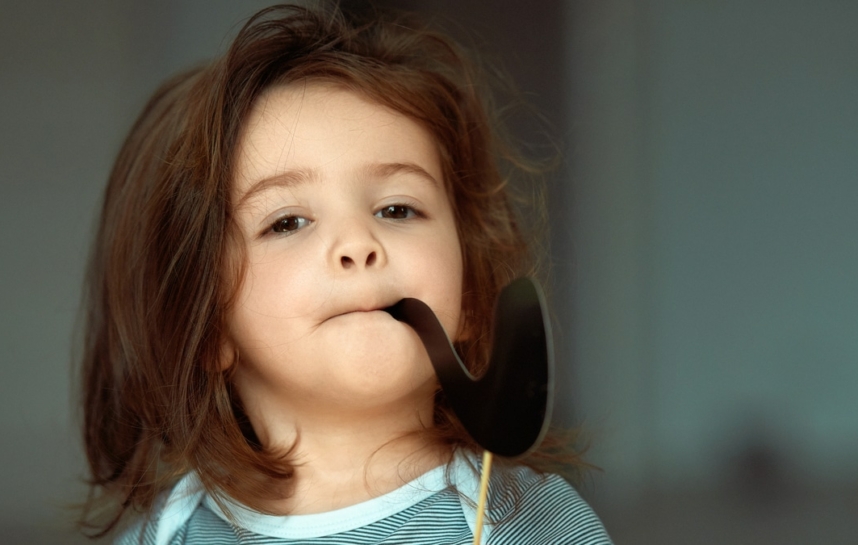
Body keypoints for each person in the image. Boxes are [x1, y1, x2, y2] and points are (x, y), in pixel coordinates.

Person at [78, 3, 612, 544]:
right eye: (288, 222)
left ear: (472, 293)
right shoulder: (171, 533)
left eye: (397, 210)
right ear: (207, 324)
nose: (359, 243)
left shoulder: (524, 523)